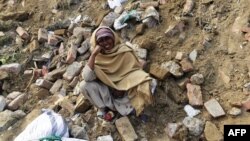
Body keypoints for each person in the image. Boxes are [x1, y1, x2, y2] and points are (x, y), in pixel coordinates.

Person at [80, 26, 156, 120]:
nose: (105, 43)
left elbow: (134, 71)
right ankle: (106, 109)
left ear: (113, 38)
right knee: (84, 85)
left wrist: (122, 87)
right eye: (101, 40)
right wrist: (93, 55)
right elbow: (87, 77)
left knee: (149, 81)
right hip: (110, 93)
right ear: (97, 44)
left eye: (107, 38)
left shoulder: (124, 50)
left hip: (126, 90)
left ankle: (130, 109)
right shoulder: (97, 59)